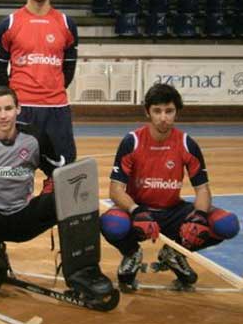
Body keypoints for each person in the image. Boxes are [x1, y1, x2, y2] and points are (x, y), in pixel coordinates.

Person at [0, 86, 113, 302]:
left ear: (18, 109)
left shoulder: (35, 138)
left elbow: (59, 175)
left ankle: (83, 272)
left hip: (23, 217)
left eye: (8, 108)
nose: (3, 115)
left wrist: (45, 199)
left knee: (67, 198)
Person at [101, 83, 240, 290]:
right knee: (111, 224)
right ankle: (132, 253)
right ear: (147, 112)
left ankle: (174, 253)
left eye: (169, 111)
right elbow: (116, 190)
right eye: (157, 111)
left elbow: (202, 189)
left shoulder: (186, 143)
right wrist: (136, 210)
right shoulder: (132, 141)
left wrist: (199, 216)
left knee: (227, 224)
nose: (163, 117)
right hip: (139, 210)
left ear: (177, 112)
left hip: (173, 211)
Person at [0, 0, 79, 164]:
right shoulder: (9, 24)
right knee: (16, 170)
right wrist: (17, 96)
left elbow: (69, 70)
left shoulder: (67, 24)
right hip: (22, 109)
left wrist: (52, 89)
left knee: (63, 169)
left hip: (57, 109)